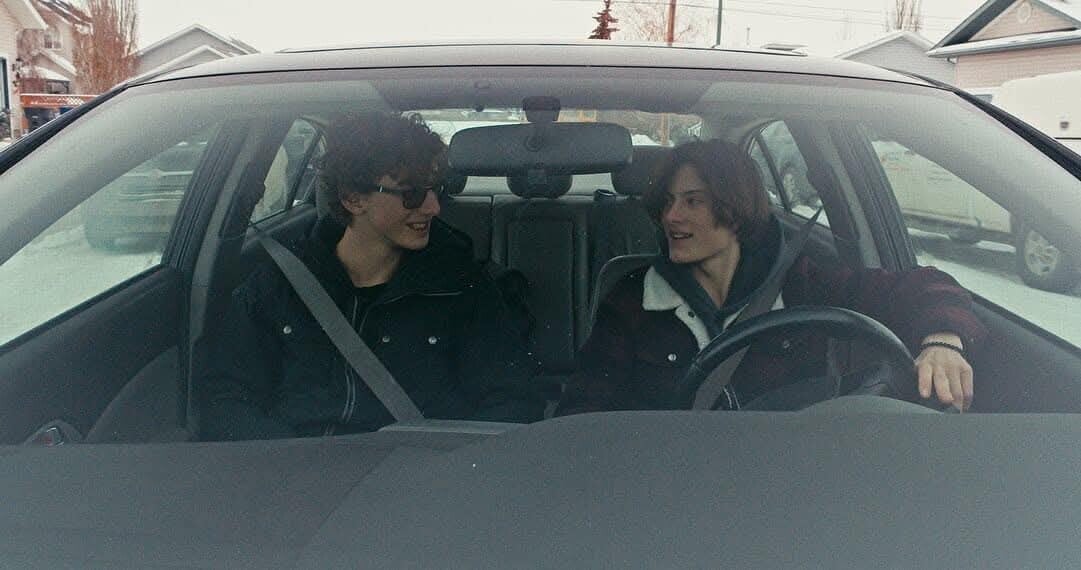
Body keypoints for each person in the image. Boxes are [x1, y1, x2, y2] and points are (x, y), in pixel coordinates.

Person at [558, 139, 987, 415]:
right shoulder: (632, 299)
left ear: (735, 208)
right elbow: (585, 412)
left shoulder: (804, 283)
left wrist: (943, 341)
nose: (671, 216)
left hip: (787, 479)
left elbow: (927, 287)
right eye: (668, 202)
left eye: (693, 202)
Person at [201, 112, 544, 440]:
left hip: (417, 471)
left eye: (435, 190)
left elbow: (512, 401)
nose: (433, 208)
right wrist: (288, 463)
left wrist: (443, 465)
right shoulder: (278, 286)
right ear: (353, 198)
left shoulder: (461, 288)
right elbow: (224, 398)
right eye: (412, 194)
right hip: (296, 471)